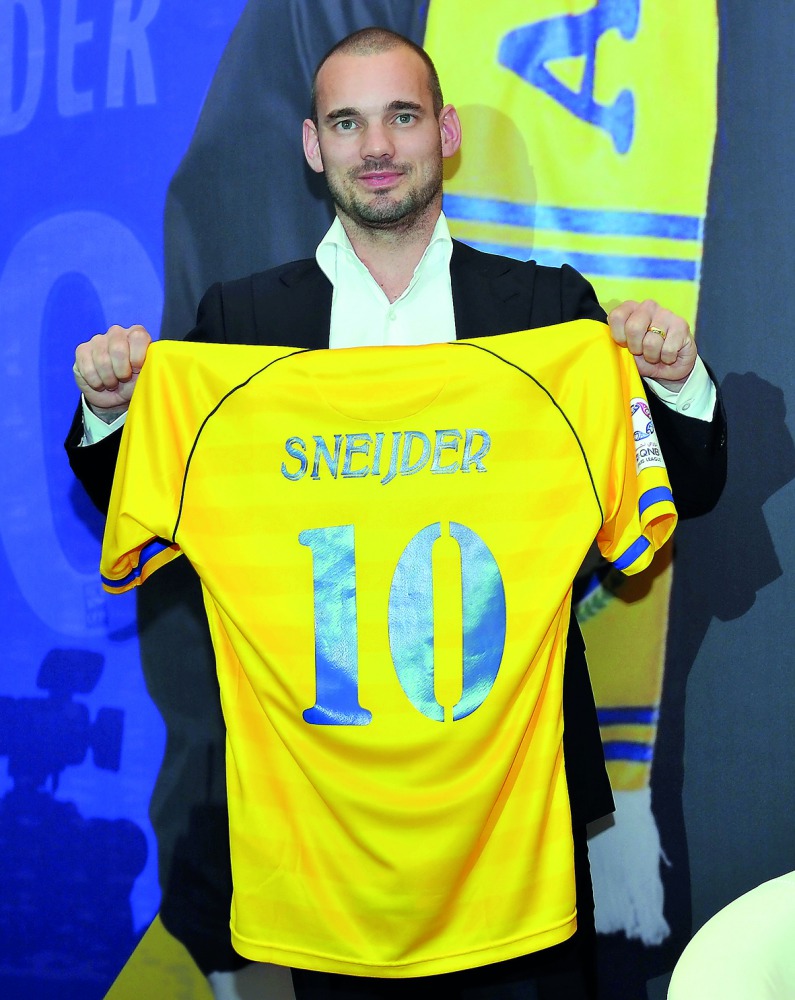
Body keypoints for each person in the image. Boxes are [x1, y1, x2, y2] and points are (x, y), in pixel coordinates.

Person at [66, 28, 726, 1000]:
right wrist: (111, 410)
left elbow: (683, 488)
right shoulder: (239, 326)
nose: (375, 146)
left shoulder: (548, 313)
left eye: (401, 116)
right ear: (311, 145)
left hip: (519, 821)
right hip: (321, 837)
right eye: (347, 122)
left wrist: (673, 382)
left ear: (445, 133)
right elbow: (142, 495)